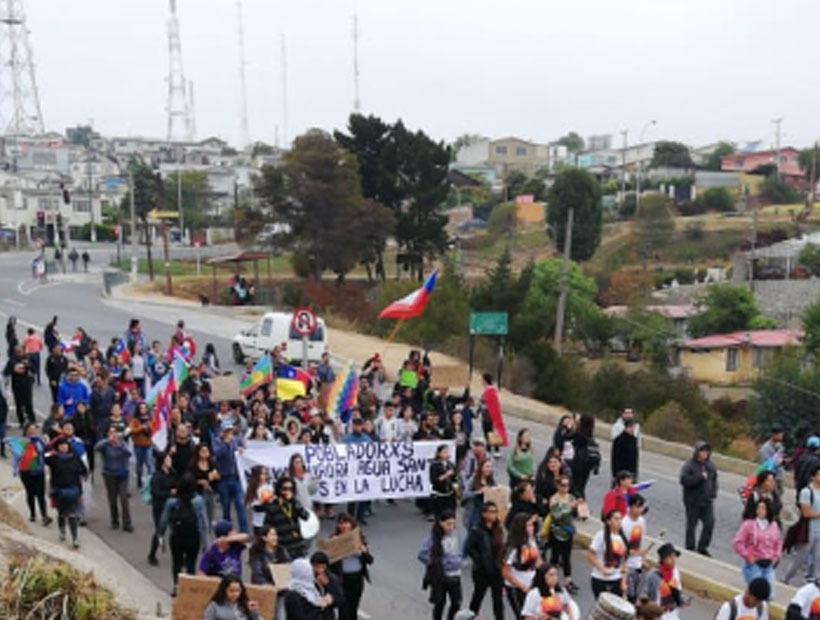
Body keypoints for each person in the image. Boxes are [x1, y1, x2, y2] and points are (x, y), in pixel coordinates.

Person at [157, 473, 208, 593]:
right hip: (193, 535)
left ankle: (176, 585)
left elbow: (163, 520)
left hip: (177, 535)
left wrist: (161, 535)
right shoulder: (198, 501)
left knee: (177, 562)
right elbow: (203, 522)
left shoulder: (172, 502)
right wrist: (205, 541)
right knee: (191, 562)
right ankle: (189, 587)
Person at [419, 509, 462, 620]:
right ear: (441, 523)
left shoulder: (455, 536)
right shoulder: (433, 538)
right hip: (441, 576)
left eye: (453, 524)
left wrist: (459, 560)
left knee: (456, 603)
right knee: (440, 603)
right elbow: (422, 554)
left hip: (455, 575)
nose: (451, 527)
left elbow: (459, 551)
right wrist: (437, 564)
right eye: (448, 524)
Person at [464, 501, 504, 620]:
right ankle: (469, 617)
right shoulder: (477, 530)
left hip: (496, 570)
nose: (494, 515)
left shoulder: (498, 529)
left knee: (498, 600)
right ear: (484, 514)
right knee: (478, 597)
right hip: (482, 571)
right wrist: (479, 561)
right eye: (491, 512)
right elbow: (469, 548)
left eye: (495, 512)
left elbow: (502, 547)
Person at [733, 498, 781, 596]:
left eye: (763, 508)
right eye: (758, 507)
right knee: (756, 593)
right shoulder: (748, 525)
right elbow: (737, 542)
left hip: (768, 564)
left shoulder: (774, 525)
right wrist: (747, 556)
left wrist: (775, 557)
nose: (760, 510)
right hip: (754, 564)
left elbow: (778, 542)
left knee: (770, 595)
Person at [45, 436, 87, 547]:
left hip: (74, 489)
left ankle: (75, 538)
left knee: (72, 514)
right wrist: (48, 445)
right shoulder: (53, 459)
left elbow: (83, 470)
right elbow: (43, 456)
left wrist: (84, 475)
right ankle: (62, 530)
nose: (63, 447)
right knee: (62, 513)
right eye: (61, 445)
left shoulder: (75, 457)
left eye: (65, 445)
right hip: (59, 490)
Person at [330, 512, 373, 620]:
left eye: (346, 523)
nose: (343, 526)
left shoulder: (359, 538)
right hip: (342, 579)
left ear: (351, 524)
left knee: (353, 609)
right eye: (340, 523)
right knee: (344, 611)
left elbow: (370, 560)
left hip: (357, 578)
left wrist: (363, 552)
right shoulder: (334, 539)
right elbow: (329, 561)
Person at [679, 440, 718, 556]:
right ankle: (690, 546)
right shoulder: (689, 465)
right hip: (693, 501)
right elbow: (684, 480)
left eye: (706, 451)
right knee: (692, 524)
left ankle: (703, 546)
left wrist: (713, 492)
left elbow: (714, 479)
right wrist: (699, 478)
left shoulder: (710, 465)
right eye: (702, 451)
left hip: (707, 501)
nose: (704, 453)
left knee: (710, 522)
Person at [8, 423, 51, 525]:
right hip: (26, 471)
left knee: (41, 494)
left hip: (39, 470)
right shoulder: (21, 442)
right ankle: (32, 513)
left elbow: (45, 452)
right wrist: (15, 469)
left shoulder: (40, 440)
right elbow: (16, 457)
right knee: (30, 492)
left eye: (34, 429)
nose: (33, 431)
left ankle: (44, 515)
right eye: (31, 429)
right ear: (26, 430)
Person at [502, 512, 543, 617]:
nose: (532, 528)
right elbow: (505, 572)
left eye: (532, 525)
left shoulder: (531, 541)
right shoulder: (513, 547)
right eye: (529, 525)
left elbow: (538, 561)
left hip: (532, 584)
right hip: (516, 588)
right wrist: (523, 587)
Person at [212, 420, 249, 533]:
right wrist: (226, 444)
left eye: (230, 430)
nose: (229, 433)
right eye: (226, 431)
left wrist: (243, 448)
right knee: (226, 507)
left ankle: (244, 531)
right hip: (224, 478)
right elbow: (217, 453)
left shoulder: (236, 440)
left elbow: (244, 450)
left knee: (240, 505)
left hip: (236, 477)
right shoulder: (217, 441)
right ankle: (227, 531)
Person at [96, 426, 133, 531]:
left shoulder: (122, 443)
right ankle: (114, 520)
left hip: (122, 474)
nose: (113, 435)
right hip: (109, 474)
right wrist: (108, 441)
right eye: (110, 433)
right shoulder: (105, 444)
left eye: (114, 432)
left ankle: (127, 522)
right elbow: (97, 448)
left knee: (124, 499)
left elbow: (128, 453)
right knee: (112, 499)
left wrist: (119, 445)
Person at [262, 475, 309, 557]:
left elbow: (306, 517)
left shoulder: (294, 503)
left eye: (290, 489)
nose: (288, 491)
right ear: (279, 489)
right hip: (283, 548)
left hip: (298, 546)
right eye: (285, 489)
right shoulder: (272, 507)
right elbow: (267, 528)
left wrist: (294, 503)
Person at [548, 474, 579, 594]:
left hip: (567, 530)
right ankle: (551, 579)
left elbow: (574, 515)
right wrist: (568, 507)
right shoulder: (554, 499)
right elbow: (555, 516)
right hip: (556, 530)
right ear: (558, 486)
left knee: (567, 557)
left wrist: (578, 508)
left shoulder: (570, 497)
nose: (565, 488)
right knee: (555, 556)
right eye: (563, 485)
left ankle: (568, 580)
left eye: (567, 485)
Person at [587, 509, 628, 598]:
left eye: (620, 519)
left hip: (616, 578)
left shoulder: (623, 538)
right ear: (609, 521)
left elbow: (624, 562)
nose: (619, 522)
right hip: (600, 579)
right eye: (616, 519)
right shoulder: (600, 535)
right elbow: (590, 555)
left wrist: (624, 582)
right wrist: (601, 568)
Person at [639, 543, 684, 620]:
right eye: (670, 557)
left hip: (673, 615)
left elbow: (678, 592)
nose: (674, 559)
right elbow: (643, 596)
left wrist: (681, 600)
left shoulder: (676, 572)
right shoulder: (652, 575)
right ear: (663, 559)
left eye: (675, 556)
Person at [148, 451, 177, 566]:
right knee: (159, 531)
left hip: (173, 506)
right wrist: (170, 492)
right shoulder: (157, 476)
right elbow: (156, 492)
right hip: (160, 507)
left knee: (175, 531)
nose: (170, 461)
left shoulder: (172, 472)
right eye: (168, 459)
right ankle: (152, 554)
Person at [622, 494, 648, 602]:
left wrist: (643, 559)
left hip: (638, 565)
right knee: (630, 597)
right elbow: (621, 550)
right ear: (630, 507)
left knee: (636, 596)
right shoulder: (623, 524)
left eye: (641, 506)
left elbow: (642, 540)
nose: (640, 509)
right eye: (637, 507)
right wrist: (637, 553)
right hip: (626, 566)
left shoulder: (641, 521)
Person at [462, 457, 495, 538]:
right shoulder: (473, 480)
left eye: (490, 467)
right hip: (475, 511)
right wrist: (478, 492)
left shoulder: (492, 480)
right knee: (473, 535)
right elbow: (465, 494)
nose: (489, 469)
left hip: (487, 511)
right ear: (481, 468)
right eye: (487, 467)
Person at [569, 413, 599, 500]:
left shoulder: (579, 435)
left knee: (573, 487)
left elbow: (568, 436)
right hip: (586, 465)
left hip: (577, 462)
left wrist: (574, 425)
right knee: (581, 487)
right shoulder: (590, 437)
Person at [4, 346, 35, 427]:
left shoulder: (27, 359)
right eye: (17, 352)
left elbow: (33, 369)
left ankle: (32, 420)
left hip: (27, 384)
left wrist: (27, 365)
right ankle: (21, 421)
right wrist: (13, 368)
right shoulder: (12, 360)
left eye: (20, 352)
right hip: (17, 385)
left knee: (28, 403)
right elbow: (6, 372)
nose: (19, 353)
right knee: (19, 404)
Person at [799, 465, 820, 581]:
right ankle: (786, 578)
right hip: (809, 529)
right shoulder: (807, 492)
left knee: (818, 559)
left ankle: (814, 580)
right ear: (813, 477)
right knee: (801, 557)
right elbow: (806, 513)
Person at [128, 402, 153, 489]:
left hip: (148, 444)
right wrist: (141, 427)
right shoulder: (135, 420)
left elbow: (154, 428)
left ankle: (150, 482)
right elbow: (132, 430)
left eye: (145, 408)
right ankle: (139, 479)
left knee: (150, 464)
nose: (143, 410)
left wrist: (149, 427)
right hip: (138, 445)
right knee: (139, 464)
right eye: (141, 408)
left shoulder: (150, 419)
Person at [430, 443, 457, 519]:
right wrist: (446, 475)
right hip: (439, 495)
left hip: (450, 494)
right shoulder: (434, 465)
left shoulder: (450, 464)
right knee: (440, 517)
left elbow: (454, 479)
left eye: (448, 452)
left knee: (450, 516)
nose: (447, 454)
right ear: (439, 454)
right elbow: (434, 480)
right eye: (444, 452)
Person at [759, 425, 785, 494]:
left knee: (779, 495)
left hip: (779, 476)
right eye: (779, 435)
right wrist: (778, 462)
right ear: (773, 435)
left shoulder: (780, 446)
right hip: (769, 478)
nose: (781, 437)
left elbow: (780, 457)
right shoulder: (765, 448)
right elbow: (765, 464)